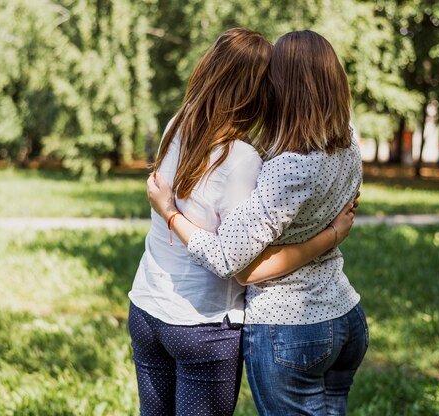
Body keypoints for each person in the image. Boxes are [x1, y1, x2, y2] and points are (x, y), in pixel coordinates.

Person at [129, 28, 357, 416]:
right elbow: (233, 262)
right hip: (202, 322)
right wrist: (331, 235)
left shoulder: (176, 126)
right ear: (259, 91)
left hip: (147, 306)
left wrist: (169, 211)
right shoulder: (244, 160)